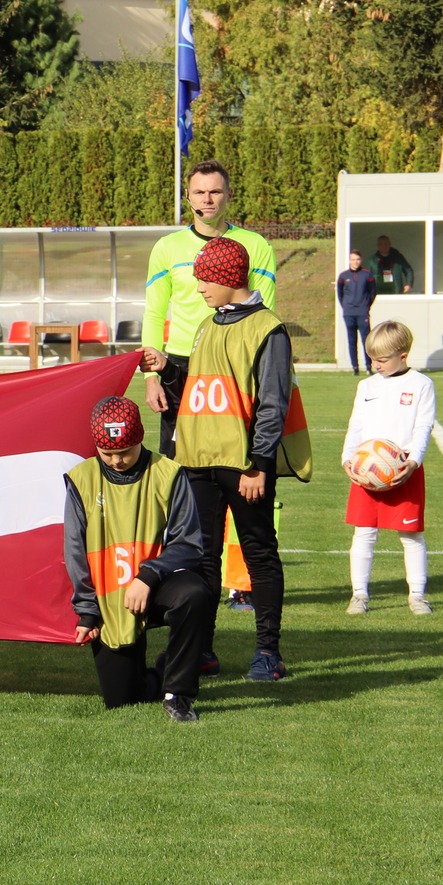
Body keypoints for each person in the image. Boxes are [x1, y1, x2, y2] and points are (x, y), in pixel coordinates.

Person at [140, 236, 311, 683]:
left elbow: (272, 403)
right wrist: (168, 369)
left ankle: (268, 653)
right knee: (201, 559)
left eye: (203, 280)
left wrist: (258, 463)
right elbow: (199, 389)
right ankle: (203, 652)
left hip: (243, 465)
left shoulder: (268, 328)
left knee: (258, 553)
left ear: (227, 277)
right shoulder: (207, 324)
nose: (198, 289)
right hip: (198, 461)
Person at [64, 395, 213, 723]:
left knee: (195, 593)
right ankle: (163, 669)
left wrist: (148, 575)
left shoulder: (168, 473)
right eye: (108, 453)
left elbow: (189, 543)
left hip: (158, 585)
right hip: (110, 596)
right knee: (122, 699)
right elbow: (75, 551)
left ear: (140, 438)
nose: (117, 461)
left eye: (125, 452)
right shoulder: (81, 479)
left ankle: (179, 694)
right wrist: (87, 611)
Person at [141, 162, 279, 455]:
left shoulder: (256, 246)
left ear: (229, 195)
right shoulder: (167, 247)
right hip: (179, 365)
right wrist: (151, 377)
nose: (207, 199)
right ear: (188, 197)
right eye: (199, 192)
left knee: (234, 454)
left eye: (215, 191)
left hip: (233, 362)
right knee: (177, 460)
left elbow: (264, 313)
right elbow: (154, 313)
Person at [342, 321, 434, 615]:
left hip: (403, 469)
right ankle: (359, 595)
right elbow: (356, 424)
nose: (375, 365)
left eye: (382, 360)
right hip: (366, 470)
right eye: (372, 358)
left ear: (403, 356)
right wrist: (348, 457)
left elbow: (423, 427)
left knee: (411, 535)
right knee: (364, 532)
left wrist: (414, 460)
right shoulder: (366, 385)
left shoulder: (421, 385)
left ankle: (417, 596)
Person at [336, 250, 377, 375]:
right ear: (349, 260)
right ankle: (355, 367)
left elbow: (373, 292)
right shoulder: (343, 276)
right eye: (353, 259)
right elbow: (340, 294)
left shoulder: (367, 275)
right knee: (351, 340)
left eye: (357, 259)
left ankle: (368, 366)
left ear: (361, 260)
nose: (355, 262)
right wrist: (346, 307)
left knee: (366, 340)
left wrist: (366, 306)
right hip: (349, 313)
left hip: (362, 312)